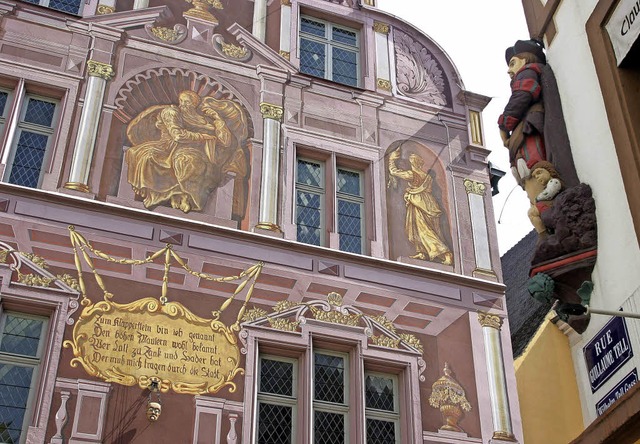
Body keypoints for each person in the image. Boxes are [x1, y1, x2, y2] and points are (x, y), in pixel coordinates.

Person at [125, 90, 243, 213]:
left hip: (196, 152)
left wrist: (217, 118)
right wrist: (203, 137)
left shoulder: (205, 121)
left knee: (189, 161)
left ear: (195, 104)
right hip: (168, 148)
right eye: (181, 101)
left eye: (187, 102)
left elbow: (226, 142)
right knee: (153, 157)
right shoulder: (171, 112)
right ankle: (172, 196)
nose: (182, 105)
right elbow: (177, 135)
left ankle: (187, 198)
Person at [388, 149, 453, 265]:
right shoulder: (427, 176)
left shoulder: (412, 174)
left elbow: (393, 172)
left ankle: (445, 253)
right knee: (422, 229)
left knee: (424, 230)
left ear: (413, 163)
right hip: (429, 204)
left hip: (419, 203)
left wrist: (391, 159)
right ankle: (423, 252)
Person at [498, 39, 547, 186]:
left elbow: (522, 95)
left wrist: (504, 125)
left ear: (525, 60)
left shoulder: (527, 72)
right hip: (528, 127)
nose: (509, 70)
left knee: (533, 164)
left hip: (530, 128)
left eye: (512, 63)